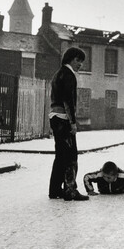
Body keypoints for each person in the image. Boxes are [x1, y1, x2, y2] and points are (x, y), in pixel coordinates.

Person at [48, 47, 88, 201]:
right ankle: (70, 190)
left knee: (60, 155)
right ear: (71, 59)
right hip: (64, 118)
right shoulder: (69, 75)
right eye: (78, 60)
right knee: (71, 156)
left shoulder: (57, 74)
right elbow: (68, 101)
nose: (80, 64)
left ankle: (55, 190)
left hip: (54, 116)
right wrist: (73, 122)